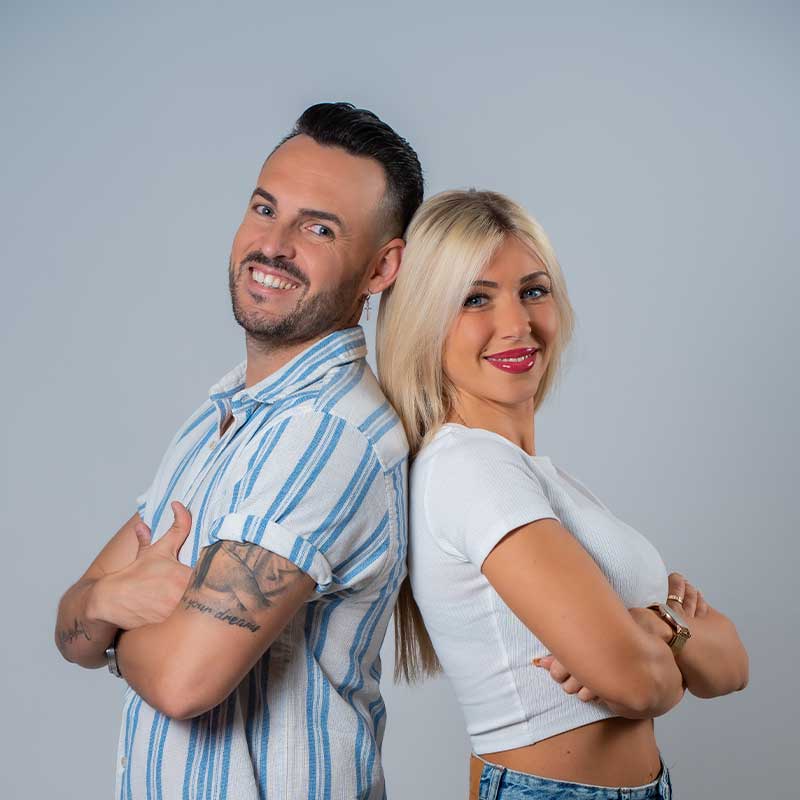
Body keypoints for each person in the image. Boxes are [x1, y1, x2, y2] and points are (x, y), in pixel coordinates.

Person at [54, 102, 423, 799]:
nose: (274, 245)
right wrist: (106, 598)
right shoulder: (220, 417)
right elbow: (69, 626)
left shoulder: (326, 435)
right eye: (264, 208)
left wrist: (113, 626)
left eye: (318, 228)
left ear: (382, 267)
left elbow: (182, 681)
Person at [376, 189, 749, 799]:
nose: (517, 324)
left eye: (533, 290)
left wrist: (650, 625)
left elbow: (731, 668)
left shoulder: (537, 476)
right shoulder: (470, 468)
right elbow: (642, 685)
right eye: (475, 298)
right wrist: (666, 633)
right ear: (423, 319)